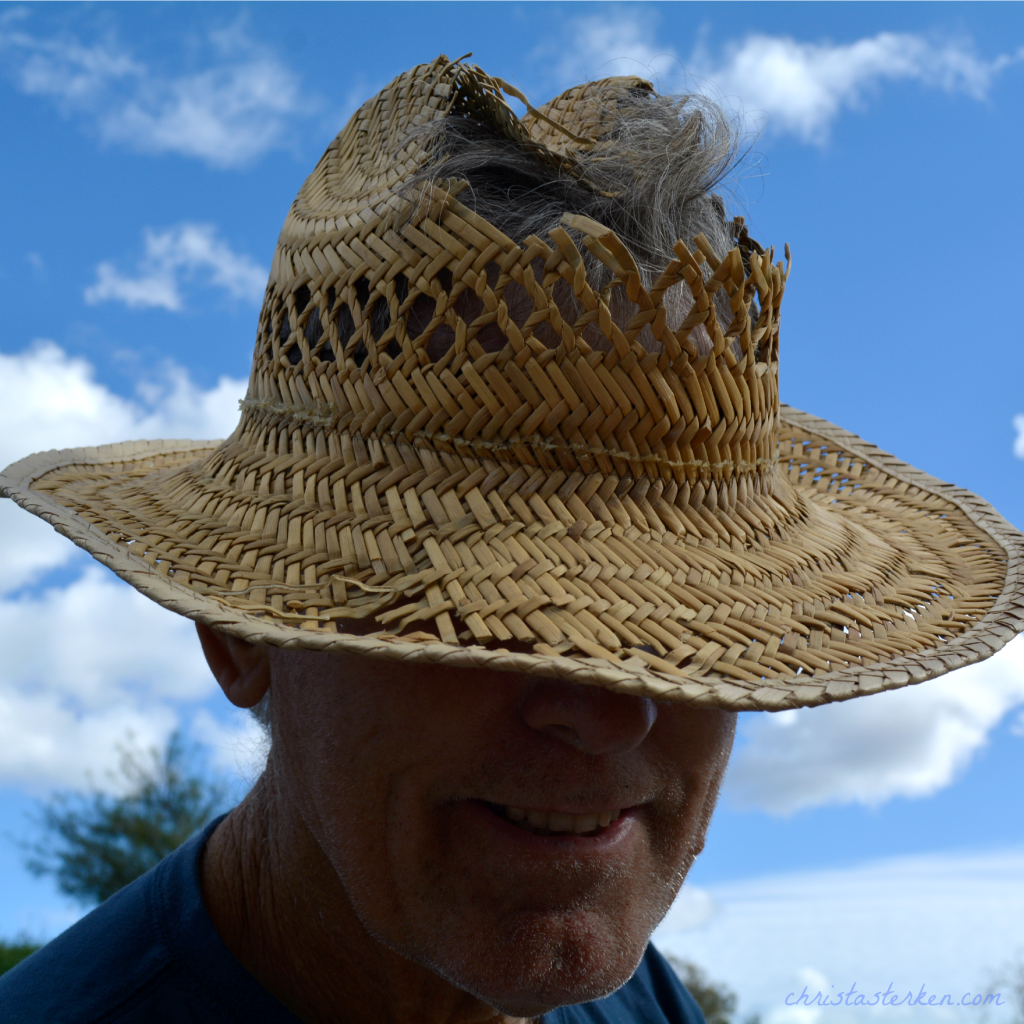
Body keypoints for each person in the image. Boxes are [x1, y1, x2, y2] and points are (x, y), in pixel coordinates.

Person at [1, 55, 1022, 1023]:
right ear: (238, 634)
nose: (614, 710)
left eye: (697, 624)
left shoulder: (634, 994)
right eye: (479, 613)